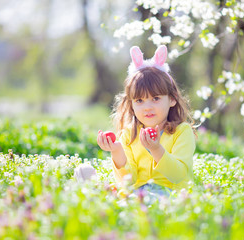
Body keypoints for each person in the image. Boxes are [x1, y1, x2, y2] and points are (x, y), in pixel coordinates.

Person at [74, 45, 196, 196]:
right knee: (128, 194)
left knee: (139, 199)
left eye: (155, 98)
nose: (147, 107)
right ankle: (102, 192)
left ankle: (101, 194)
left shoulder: (182, 131)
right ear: (131, 104)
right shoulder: (129, 135)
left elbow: (178, 176)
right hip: (139, 194)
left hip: (172, 195)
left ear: (172, 99)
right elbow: (129, 180)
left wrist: (156, 149)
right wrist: (116, 150)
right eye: (139, 100)